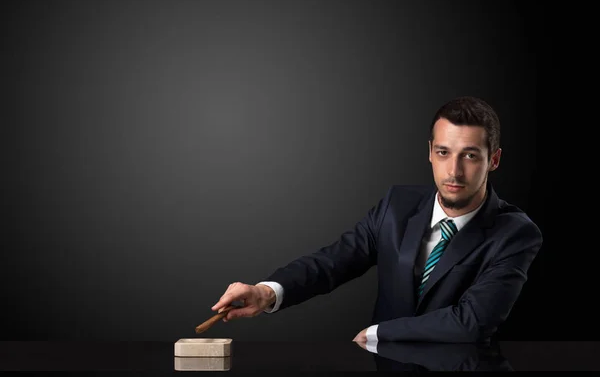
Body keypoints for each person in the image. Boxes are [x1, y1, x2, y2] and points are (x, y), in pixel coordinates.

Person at [210, 96, 543, 344]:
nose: (454, 171)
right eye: (443, 153)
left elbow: (471, 322)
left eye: (470, 156)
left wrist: (379, 332)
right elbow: (334, 261)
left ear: (494, 159)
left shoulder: (515, 234)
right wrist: (266, 292)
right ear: (430, 152)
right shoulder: (397, 205)